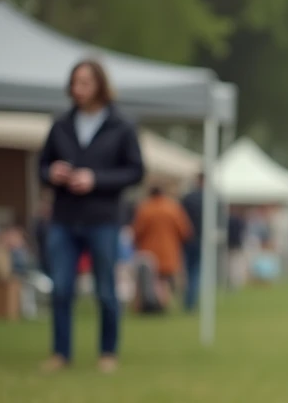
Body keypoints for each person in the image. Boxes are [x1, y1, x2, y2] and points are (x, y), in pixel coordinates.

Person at [38, 58, 145, 372]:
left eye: (85, 82)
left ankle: (107, 352)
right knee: (61, 288)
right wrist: (51, 173)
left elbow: (136, 171)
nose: (78, 89)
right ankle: (61, 353)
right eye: (74, 83)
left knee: (105, 289)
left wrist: (96, 179)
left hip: (103, 218)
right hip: (64, 217)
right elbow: (41, 166)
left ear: (100, 85)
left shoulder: (121, 125)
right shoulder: (61, 124)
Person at [132, 186, 192, 310]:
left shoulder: (145, 209)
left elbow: (137, 231)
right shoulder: (173, 208)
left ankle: (152, 304)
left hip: (148, 251)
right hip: (168, 250)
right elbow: (185, 230)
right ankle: (163, 304)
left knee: (150, 280)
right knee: (164, 280)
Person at [179, 173, 206, 311]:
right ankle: (190, 301)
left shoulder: (188, 198)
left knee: (188, 271)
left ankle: (188, 300)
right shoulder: (209, 199)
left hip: (187, 239)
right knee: (194, 272)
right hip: (199, 239)